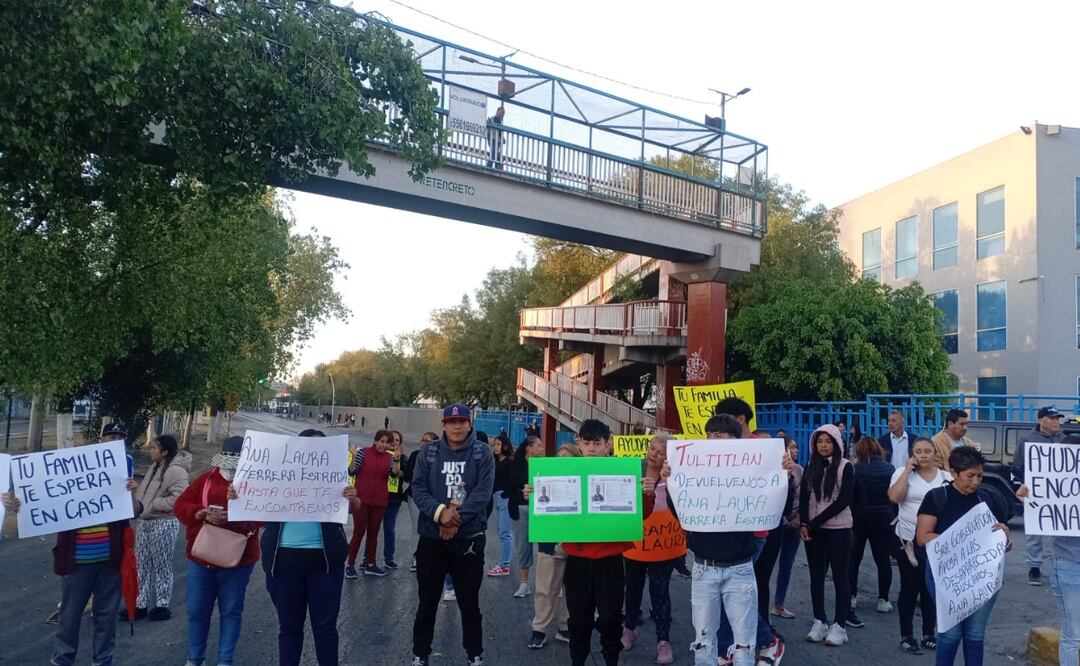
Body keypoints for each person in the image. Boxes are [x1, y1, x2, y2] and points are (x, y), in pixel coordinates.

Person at [524, 418, 656, 666]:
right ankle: (577, 661)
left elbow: (643, 514)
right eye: (587, 443)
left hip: (611, 560)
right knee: (578, 621)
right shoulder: (566, 473)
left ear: (608, 445)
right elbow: (547, 508)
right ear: (580, 444)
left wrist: (646, 493)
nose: (592, 448)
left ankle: (611, 661)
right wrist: (533, 495)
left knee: (610, 620)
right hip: (578, 560)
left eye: (597, 443)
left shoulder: (622, 472)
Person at [2, 433, 141, 666]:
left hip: (111, 563)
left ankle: (103, 661)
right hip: (76, 563)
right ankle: (62, 659)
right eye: (109, 436)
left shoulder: (120, 475)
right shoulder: (68, 483)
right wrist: (16, 504)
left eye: (118, 437)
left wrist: (131, 492)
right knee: (69, 616)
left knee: (106, 618)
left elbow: (135, 511)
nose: (113, 440)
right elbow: (40, 502)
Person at [661, 414, 786, 666]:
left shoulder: (749, 472)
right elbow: (683, 514)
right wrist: (672, 481)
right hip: (704, 568)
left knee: (744, 639)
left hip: (740, 567)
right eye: (709, 435)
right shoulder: (695, 470)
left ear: (735, 440)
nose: (712, 440)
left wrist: (784, 473)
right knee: (704, 638)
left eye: (719, 435)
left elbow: (773, 505)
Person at [250, 428, 360, 666]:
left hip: (326, 561)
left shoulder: (334, 473)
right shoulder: (277, 475)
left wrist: (352, 499)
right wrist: (239, 495)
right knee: (289, 627)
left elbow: (352, 508)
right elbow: (255, 505)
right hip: (284, 560)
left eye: (320, 448)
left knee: (326, 628)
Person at [410, 403, 495, 666]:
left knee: (469, 603)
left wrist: (455, 520)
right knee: (427, 602)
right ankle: (420, 653)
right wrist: (440, 514)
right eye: (452, 421)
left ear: (470, 424)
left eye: (462, 421)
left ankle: (474, 653)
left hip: (468, 538)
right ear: (444, 425)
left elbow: (483, 492)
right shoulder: (429, 452)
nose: (457, 426)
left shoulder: (482, 453)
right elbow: (418, 487)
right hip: (431, 538)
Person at [916, 447, 1009, 666]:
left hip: (983, 577)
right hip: (947, 577)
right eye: (970, 476)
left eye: (980, 476)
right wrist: (960, 541)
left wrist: (1004, 536)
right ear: (954, 473)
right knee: (950, 634)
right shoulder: (937, 497)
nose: (976, 481)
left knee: (975, 634)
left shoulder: (988, 498)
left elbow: (1000, 542)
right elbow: (922, 536)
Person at [175, 436, 262, 666]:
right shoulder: (205, 480)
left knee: (231, 612)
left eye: (237, 462)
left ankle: (225, 661)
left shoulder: (256, 485)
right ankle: (194, 659)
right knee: (196, 612)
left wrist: (236, 511)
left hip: (238, 561)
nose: (231, 468)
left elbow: (263, 518)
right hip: (201, 558)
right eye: (228, 461)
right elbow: (180, 506)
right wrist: (200, 513)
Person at [712, 398, 786, 665]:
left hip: (752, 533)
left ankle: (764, 641)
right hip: (722, 532)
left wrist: (785, 470)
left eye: (723, 418)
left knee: (732, 594)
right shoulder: (716, 449)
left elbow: (777, 485)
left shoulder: (763, 448)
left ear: (740, 419)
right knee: (727, 592)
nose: (717, 430)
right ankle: (730, 647)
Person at [1017, 433, 1080, 665]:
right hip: (1069, 566)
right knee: (1074, 634)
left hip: (1067, 566)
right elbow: (1037, 508)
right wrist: (1025, 495)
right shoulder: (1049, 484)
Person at [621, 433, 684, 664]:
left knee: (660, 593)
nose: (653, 454)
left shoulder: (677, 476)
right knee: (632, 588)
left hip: (663, 546)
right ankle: (629, 628)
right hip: (635, 544)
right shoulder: (632, 470)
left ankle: (663, 640)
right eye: (651, 448)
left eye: (660, 452)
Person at [887, 436, 951, 655]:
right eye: (918, 451)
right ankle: (907, 634)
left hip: (936, 541)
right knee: (909, 587)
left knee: (930, 589)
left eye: (927, 451)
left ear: (935, 454)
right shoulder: (900, 474)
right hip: (908, 541)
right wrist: (906, 471)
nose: (923, 455)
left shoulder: (946, 478)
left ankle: (928, 633)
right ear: (912, 455)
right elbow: (894, 497)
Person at [801, 424, 855, 648]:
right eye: (820, 441)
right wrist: (804, 523)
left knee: (841, 577)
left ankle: (839, 625)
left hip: (839, 530)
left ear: (836, 443)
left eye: (828, 441)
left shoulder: (846, 467)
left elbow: (843, 501)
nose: (824, 446)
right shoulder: (810, 465)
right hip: (814, 531)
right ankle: (819, 620)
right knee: (816, 576)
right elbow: (804, 496)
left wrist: (814, 523)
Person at [132, 434, 192, 621]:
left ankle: (161, 605)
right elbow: (149, 490)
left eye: (154, 448)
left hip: (163, 522)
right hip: (145, 520)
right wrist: (137, 491)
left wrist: (156, 504)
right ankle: (140, 604)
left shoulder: (176, 470)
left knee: (161, 565)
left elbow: (180, 498)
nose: (150, 450)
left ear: (164, 452)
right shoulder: (155, 466)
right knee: (142, 564)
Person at [528, 443, 581, 649]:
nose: (562, 462)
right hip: (550, 543)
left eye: (567, 458)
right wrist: (530, 493)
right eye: (559, 458)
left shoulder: (582, 484)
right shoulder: (544, 480)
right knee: (545, 587)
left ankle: (565, 626)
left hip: (576, 544)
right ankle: (539, 628)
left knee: (573, 588)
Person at [1010, 406, 1065, 586]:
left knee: (1060, 530)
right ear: (1041, 420)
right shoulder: (1026, 440)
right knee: (1034, 531)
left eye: (1058, 418)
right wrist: (1025, 485)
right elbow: (1017, 467)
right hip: (1035, 494)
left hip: (1059, 494)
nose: (1057, 421)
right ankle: (1034, 567)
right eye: (1053, 418)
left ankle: (1059, 567)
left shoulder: (1063, 439)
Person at [847, 436, 896, 628]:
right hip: (884, 517)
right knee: (883, 560)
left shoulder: (856, 469)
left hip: (860, 518)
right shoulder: (889, 469)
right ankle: (883, 600)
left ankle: (851, 597)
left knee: (854, 559)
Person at [345, 429, 401, 578]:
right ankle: (350, 564)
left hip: (379, 501)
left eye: (386, 443)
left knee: (373, 534)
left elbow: (394, 474)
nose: (383, 445)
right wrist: (353, 456)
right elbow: (351, 472)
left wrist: (396, 460)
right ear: (375, 441)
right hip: (361, 500)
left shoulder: (389, 458)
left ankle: (370, 564)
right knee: (358, 532)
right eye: (381, 441)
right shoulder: (363, 453)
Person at [508, 434, 544, 598]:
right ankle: (524, 584)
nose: (542, 449)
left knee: (548, 547)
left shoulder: (546, 465)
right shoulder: (516, 464)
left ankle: (552, 584)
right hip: (521, 508)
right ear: (529, 448)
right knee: (523, 546)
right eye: (539, 445)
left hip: (543, 510)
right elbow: (511, 484)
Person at [772, 438, 803, 620]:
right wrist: (783, 520)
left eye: (796, 447)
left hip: (796, 524)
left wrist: (799, 519)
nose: (796, 450)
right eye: (792, 447)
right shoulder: (773, 470)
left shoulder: (799, 470)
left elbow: (806, 496)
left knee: (787, 564)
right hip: (776, 524)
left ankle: (779, 603)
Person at [487, 434, 515, 577]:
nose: (495, 447)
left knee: (505, 532)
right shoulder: (494, 462)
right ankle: (505, 562)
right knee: (501, 530)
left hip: (505, 498)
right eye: (494, 444)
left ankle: (505, 565)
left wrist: (505, 494)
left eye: (498, 444)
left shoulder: (510, 462)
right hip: (496, 497)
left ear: (504, 445)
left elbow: (513, 482)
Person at [382, 430, 408, 570]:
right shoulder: (378, 455)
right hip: (377, 497)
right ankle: (368, 559)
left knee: (389, 529)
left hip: (394, 499)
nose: (393, 442)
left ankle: (389, 558)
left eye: (397, 440)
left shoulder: (403, 458)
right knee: (372, 530)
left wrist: (398, 472)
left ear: (400, 443)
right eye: (391, 439)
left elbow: (408, 473)